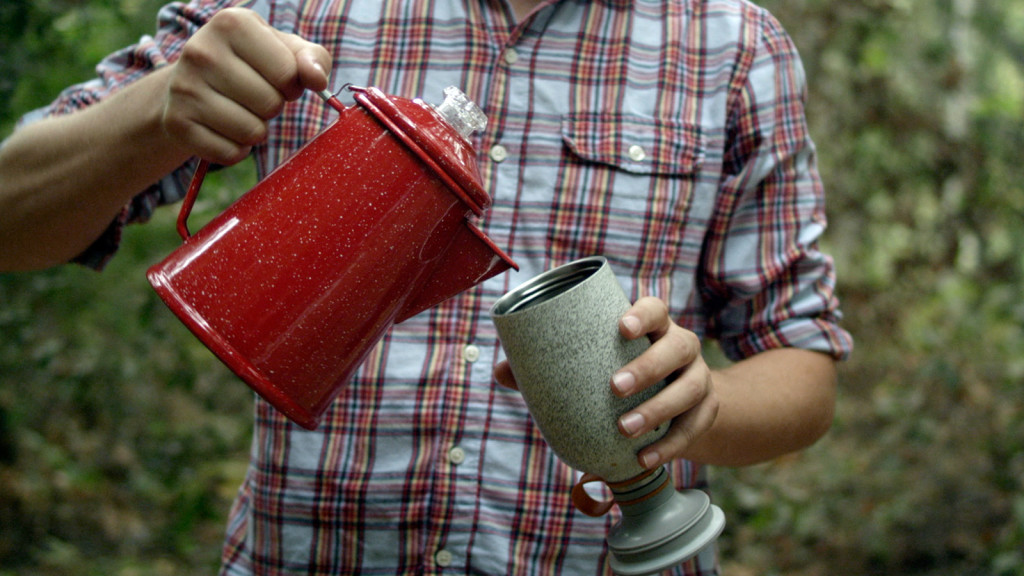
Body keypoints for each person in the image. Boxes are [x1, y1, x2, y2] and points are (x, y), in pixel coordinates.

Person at [0, 0, 853, 573]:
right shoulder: (291, 7)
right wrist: (156, 111)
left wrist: (699, 409)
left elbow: (801, 360)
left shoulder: (734, 45)